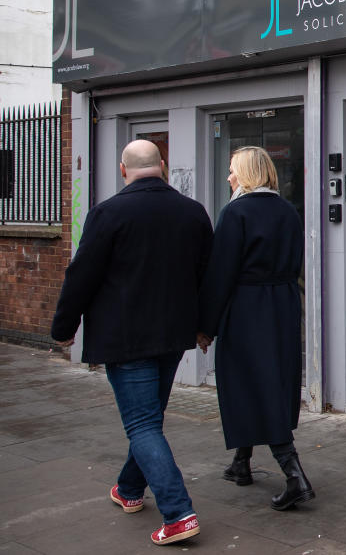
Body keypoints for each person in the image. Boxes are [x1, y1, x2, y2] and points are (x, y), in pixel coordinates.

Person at [50, 139, 212, 546]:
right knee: (149, 419)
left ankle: (178, 513)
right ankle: (129, 489)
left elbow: (81, 275)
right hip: (172, 335)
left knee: (141, 423)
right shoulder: (193, 213)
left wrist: (64, 327)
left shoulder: (107, 213)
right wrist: (204, 326)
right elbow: (205, 276)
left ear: (124, 171)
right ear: (163, 165)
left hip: (125, 337)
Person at [196, 146, 313, 510]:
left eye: (233, 170)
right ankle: (241, 463)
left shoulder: (236, 212)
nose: (229, 176)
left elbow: (220, 273)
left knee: (247, 382)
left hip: (247, 307)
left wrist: (206, 326)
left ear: (247, 173)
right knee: (267, 380)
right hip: (283, 304)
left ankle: (294, 474)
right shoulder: (288, 211)